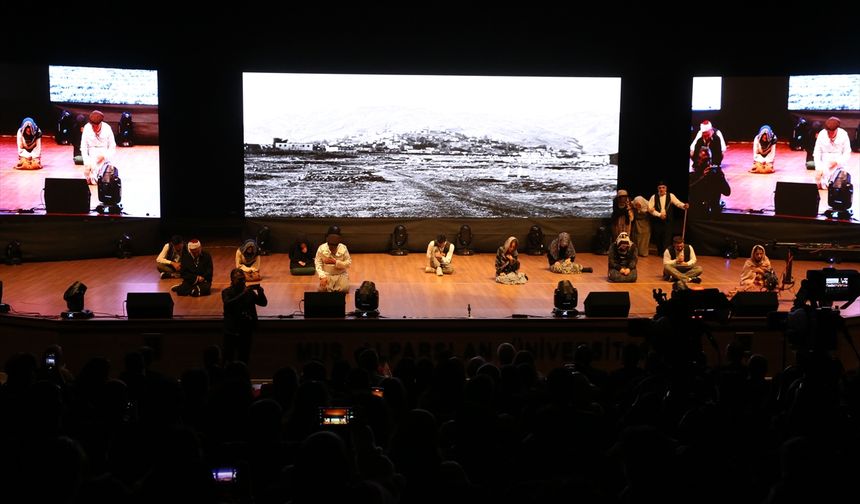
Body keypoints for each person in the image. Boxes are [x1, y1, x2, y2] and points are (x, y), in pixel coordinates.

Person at [221, 267, 268, 365]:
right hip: (231, 331)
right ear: (233, 280)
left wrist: (261, 292)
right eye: (240, 280)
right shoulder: (227, 292)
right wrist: (243, 293)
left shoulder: (248, 292)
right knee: (229, 358)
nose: (243, 282)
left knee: (244, 357)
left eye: (243, 279)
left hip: (246, 330)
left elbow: (263, 303)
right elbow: (228, 304)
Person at [689, 146, 731, 218]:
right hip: (698, 213)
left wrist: (721, 177)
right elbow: (690, 190)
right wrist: (702, 177)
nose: (708, 163)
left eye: (709, 159)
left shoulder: (715, 175)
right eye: (705, 160)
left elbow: (727, 192)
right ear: (699, 161)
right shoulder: (693, 175)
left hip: (714, 213)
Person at [648, 181, 688, 254]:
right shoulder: (654, 197)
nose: (661, 189)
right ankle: (660, 252)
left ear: (666, 188)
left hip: (668, 221)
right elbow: (650, 209)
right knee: (658, 237)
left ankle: (665, 253)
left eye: (663, 187)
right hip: (658, 221)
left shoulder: (671, 196)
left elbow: (678, 203)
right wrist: (659, 215)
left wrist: (683, 206)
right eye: (660, 188)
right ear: (658, 189)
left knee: (667, 237)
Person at [813, 116, 852, 190]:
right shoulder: (822, 134)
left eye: (832, 133)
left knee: (838, 184)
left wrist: (837, 162)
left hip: (839, 164)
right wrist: (818, 167)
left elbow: (847, 153)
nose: (830, 135)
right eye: (828, 133)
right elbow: (817, 152)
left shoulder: (843, 134)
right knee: (819, 184)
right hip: (824, 164)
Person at [80, 110, 116, 185]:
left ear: (101, 123)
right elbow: (83, 147)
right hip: (92, 154)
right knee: (88, 177)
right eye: (93, 126)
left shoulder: (107, 128)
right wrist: (86, 163)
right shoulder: (87, 128)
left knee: (104, 177)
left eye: (97, 127)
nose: (94, 129)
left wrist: (104, 156)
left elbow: (112, 146)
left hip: (104, 154)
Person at [315, 226, 351, 292]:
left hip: (340, 274)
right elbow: (318, 264)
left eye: (334, 246)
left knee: (344, 289)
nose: (332, 248)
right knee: (322, 290)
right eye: (330, 246)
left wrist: (335, 262)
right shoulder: (321, 248)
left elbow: (348, 263)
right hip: (327, 274)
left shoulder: (343, 248)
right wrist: (322, 276)